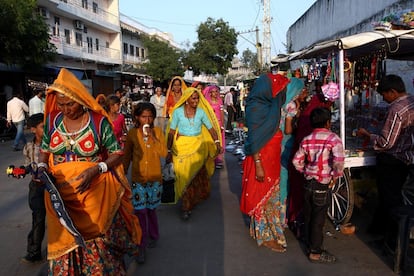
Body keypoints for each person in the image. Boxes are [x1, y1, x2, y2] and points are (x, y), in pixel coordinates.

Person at [37, 68, 142, 274]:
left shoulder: (98, 122)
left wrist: (97, 169)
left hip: (94, 194)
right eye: (61, 104)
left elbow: (117, 153)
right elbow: (44, 149)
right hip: (61, 197)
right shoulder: (52, 121)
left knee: (99, 244)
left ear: (81, 99)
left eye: (70, 103)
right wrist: (41, 166)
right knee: (65, 243)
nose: (66, 109)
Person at [357, 74, 414, 238]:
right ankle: (380, 229)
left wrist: (368, 135)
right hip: (406, 157)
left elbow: (386, 142)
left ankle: (393, 236)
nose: (384, 98)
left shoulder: (396, 109)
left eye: (384, 94)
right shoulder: (411, 102)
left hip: (392, 159)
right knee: (390, 195)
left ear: (393, 92)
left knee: (390, 198)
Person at [240, 72, 290, 253]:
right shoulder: (256, 108)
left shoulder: (271, 107)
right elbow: (254, 139)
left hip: (272, 160)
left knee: (271, 197)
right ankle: (265, 236)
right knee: (262, 198)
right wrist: (259, 165)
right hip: (260, 160)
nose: (279, 94)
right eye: (277, 89)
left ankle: (268, 231)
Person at [292, 107, 345, 264]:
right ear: (328, 122)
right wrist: (335, 176)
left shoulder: (307, 139)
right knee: (318, 218)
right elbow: (338, 161)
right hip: (322, 183)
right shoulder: (333, 139)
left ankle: (308, 242)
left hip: (308, 181)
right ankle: (315, 251)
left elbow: (296, 161)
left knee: (309, 215)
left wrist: (305, 171)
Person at [166, 87, 222, 220]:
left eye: (197, 98)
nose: (196, 101)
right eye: (193, 98)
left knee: (193, 178)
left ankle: (186, 206)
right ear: (186, 99)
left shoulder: (201, 113)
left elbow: (211, 129)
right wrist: (168, 150)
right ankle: (187, 202)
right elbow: (172, 132)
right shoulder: (178, 112)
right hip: (181, 148)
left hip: (198, 148)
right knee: (183, 177)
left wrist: (217, 141)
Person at [123, 102, 167, 264]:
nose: (147, 119)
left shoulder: (158, 132)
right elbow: (127, 156)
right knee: (140, 211)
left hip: (155, 179)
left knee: (151, 210)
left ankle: (153, 235)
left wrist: (153, 138)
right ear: (136, 117)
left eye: (150, 116)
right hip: (138, 180)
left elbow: (163, 153)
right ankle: (141, 244)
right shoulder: (132, 134)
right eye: (143, 116)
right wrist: (122, 174)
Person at [287, 83, 332, 238]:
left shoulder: (307, 111)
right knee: (312, 204)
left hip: (304, 166)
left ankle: (300, 225)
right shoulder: (307, 114)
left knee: (302, 197)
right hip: (313, 171)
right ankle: (310, 237)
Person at [279, 79, 306, 227]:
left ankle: (283, 216)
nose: (306, 93)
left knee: (284, 180)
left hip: (283, 144)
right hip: (287, 144)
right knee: (285, 181)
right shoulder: (291, 106)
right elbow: (288, 130)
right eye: (304, 90)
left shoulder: (286, 104)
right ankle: (283, 217)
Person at [21, 113, 46, 263]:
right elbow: (27, 165)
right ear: (33, 130)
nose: (47, 130)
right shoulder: (29, 147)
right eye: (43, 127)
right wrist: (21, 171)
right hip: (36, 188)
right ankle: (34, 251)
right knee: (38, 218)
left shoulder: (54, 144)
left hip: (53, 186)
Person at [203, 85, 225, 168]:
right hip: (211, 125)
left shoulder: (220, 101)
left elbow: (222, 114)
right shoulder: (207, 102)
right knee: (212, 141)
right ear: (210, 93)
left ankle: (218, 159)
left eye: (216, 91)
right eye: (213, 92)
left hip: (218, 124)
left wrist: (222, 125)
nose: (215, 93)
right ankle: (211, 159)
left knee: (219, 141)